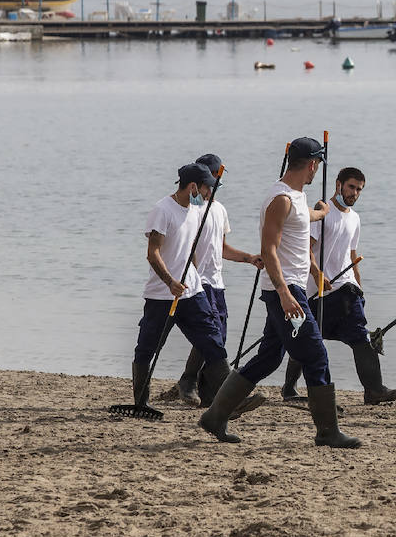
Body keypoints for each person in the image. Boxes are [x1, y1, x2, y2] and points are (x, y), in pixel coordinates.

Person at [199, 137, 361, 449]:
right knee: (316, 355)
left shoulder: (298, 196)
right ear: (312, 164)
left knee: (269, 357)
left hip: (289, 288)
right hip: (285, 291)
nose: (317, 170)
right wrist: (285, 293)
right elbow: (269, 250)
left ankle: (215, 416)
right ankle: (327, 431)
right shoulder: (281, 199)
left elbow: (302, 219)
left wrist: (323, 212)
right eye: (318, 165)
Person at [280, 166, 396, 406]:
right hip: (318, 291)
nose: (354, 193)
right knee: (308, 337)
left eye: (359, 189)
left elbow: (352, 253)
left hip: (346, 289)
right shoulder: (321, 212)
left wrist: (359, 284)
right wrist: (317, 274)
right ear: (338, 185)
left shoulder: (354, 218)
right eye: (351, 187)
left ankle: (374, 389)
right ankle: (289, 387)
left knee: (359, 336)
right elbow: (305, 248)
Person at [133, 163, 235, 410]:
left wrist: (195, 278)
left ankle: (231, 400)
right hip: (161, 295)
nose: (209, 194)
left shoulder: (195, 211)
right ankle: (141, 402)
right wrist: (170, 281)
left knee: (212, 341)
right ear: (192, 187)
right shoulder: (163, 210)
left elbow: (190, 250)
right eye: (206, 189)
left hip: (192, 292)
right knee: (147, 348)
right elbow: (152, 252)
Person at [174, 153, 263, 407]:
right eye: (210, 184)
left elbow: (221, 247)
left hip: (217, 282)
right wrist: (192, 278)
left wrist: (249, 258)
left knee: (218, 337)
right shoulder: (190, 210)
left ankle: (204, 389)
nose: (212, 190)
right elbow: (186, 249)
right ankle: (189, 380)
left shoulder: (220, 210)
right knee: (210, 336)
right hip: (198, 283)